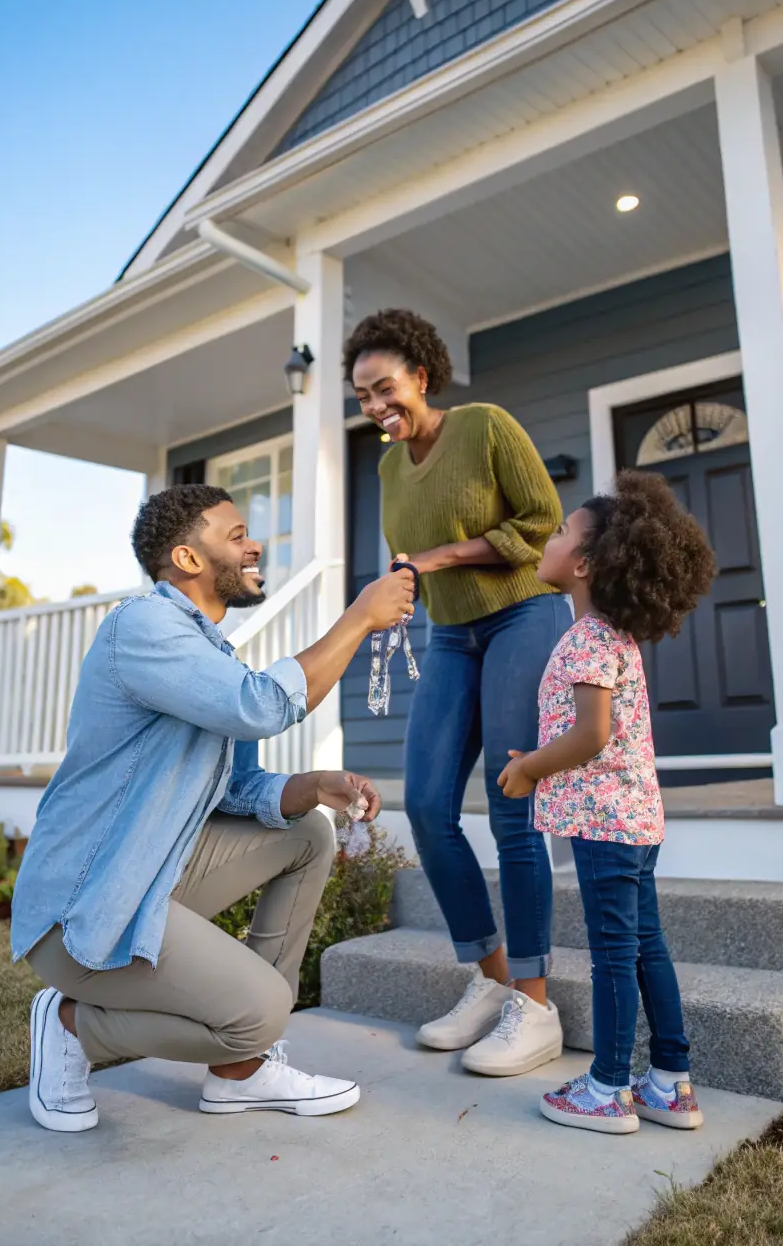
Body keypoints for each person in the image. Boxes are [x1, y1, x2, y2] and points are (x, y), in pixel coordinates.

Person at [12, 484, 415, 1132]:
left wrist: (312, 785)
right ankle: (71, 1023)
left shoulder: (207, 653)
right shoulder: (142, 625)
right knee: (260, 1010)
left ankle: (241, 1071)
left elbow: (238, 792)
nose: (253, 544)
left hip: (147, 880)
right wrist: (361, 617)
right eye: (235, 535)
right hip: (85, 906)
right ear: (187, 559)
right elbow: (259, 705)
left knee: (308, 832)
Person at [345, 309, 569, 1077]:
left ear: (421, 374)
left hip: (523, 615)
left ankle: (536, 1006)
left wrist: (444, 553)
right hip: (449, 636)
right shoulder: (383, 469)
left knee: (512, 805)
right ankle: (492, 978)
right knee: (430, 807)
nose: (376, 406)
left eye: (385, 387)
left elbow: (544, 524)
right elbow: (408, 557)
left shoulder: (484, 426)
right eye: (364, 397)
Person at [499, 470, 717, 1134]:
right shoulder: (611, 636)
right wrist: (536, 759)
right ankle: (671, 1082)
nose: (551, 534)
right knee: (647, 947)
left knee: (615, 954)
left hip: (607, 826)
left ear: (585, 563)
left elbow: (591, 733)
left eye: (563, 530)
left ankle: (607, 1087)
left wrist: (530, 769)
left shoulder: (588, 638)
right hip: (636, 821)